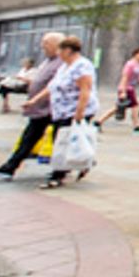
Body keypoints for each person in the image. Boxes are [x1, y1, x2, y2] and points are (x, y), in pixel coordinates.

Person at [0, 33, 66, 180]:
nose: (42, 46)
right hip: (41, 109)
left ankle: (61, 171)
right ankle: (9, 168)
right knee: (30, 139)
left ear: (56, 45)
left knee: (56, 140)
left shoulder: (62, 63)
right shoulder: (48, 61)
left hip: (53, 109)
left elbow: (56, 86)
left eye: (46, 43)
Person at [24, 36, 96, 189]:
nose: (58, 54)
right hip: (61, 111)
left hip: (74, 111)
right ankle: (80, 164)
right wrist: (34, 100)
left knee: (65, 141)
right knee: (64, 141)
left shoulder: (82, 66)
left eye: (60, 50)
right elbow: (52, 87)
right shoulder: (65, 66)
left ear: (68, 50)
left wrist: (79, 112)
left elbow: (85, 90)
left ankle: (59, 174)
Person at [99, 47, 139, 132]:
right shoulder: (130, 64)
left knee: (123, 107)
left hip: (131, 88)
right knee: (132, 106)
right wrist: (123, 91)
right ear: (136, 54)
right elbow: (125, 77)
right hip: (126, 88)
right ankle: (136, 125)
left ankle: (99, 121)